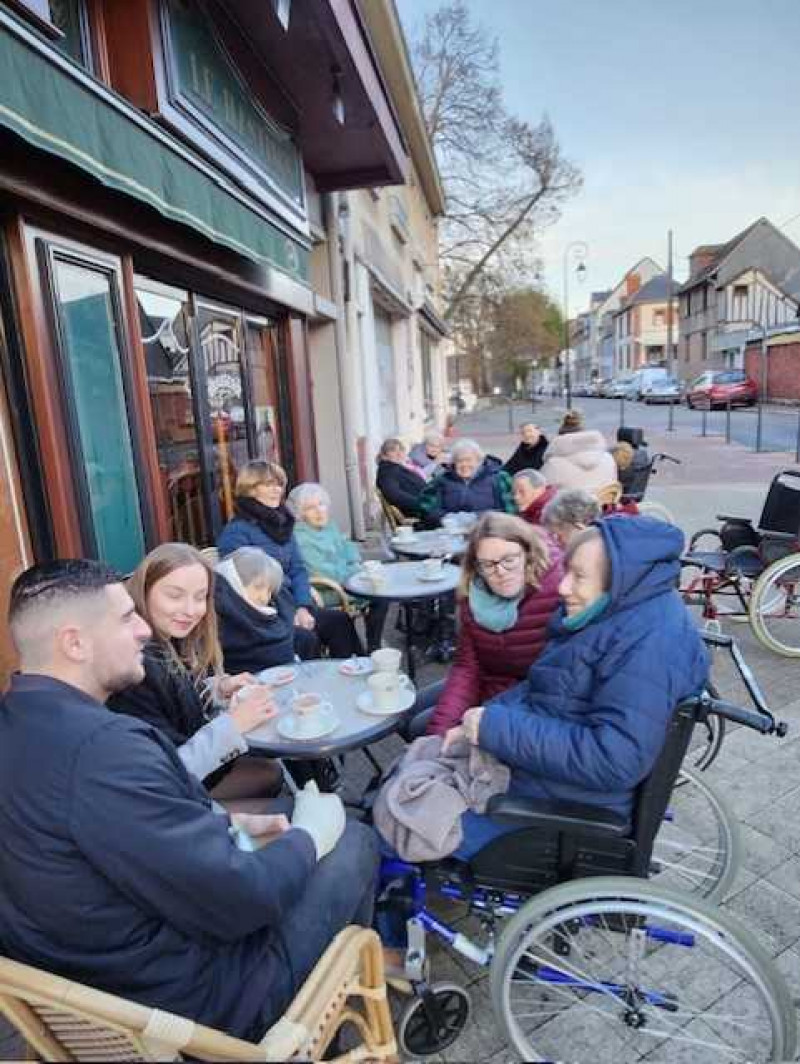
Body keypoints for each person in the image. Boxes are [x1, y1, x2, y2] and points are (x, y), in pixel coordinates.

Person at [0, 559, 378, 1039]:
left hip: (84, 992)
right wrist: (310, 836)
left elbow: (106, 844)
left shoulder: (20, 727)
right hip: (204, 1003)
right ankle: (334, 1023)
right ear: (74, 643)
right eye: (125, 618)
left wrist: (230, 828)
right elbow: (242, 899)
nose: (142, 630)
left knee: (278, 822)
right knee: (355, 839)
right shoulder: (104, 750)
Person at [438, 516, 710, 856]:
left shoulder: (648, 645)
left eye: (579, 576)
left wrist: (493, 726)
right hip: (550, 777)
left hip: (560, 806)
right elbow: (544, 686)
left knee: (408, 826)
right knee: (419, 775)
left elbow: (614, 759)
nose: (563, 587)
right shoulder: (620, 617)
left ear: (620, 579)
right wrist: (483, 719)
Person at [108, 543, 281, 810]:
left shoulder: (166, 636)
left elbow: (179, 696)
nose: (191, 610)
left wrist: (219, 689)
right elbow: (167, 773)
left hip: (185, 771)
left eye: (200, 597)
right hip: (160, 799)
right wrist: (233, 725)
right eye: (175, 595)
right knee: (270, 774)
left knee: (270, 769)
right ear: (143, 591)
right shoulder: (135, 669)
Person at [406, 513, 562, 738]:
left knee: (418, 727)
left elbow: (557, 683)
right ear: (475, 567)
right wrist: (438, 736)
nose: (500, 572)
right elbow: (468, 667)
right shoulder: (473, 593)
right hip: (488, 678)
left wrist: (478, 720)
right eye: (488, 564)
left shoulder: (556, 591)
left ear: (528, 553)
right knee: (409, 715)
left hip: (527, 697)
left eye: (509, 560)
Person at [217, 460, 363, 660]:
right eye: (268, 484)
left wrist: (303, 607)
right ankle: (311, 686)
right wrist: (289, 614)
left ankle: (349, 676)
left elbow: (298, 570)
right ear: (249, 489)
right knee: (307, 638)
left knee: (340, 621)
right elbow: (244, 592)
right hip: (264, 616)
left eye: (279, 484)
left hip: (293, 603)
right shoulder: (236, 533)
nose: (276, 490)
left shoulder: (283, 524)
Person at [288, 483, 388, 653]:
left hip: (347, 581)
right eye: (310, 508)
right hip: (328, 591)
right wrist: (356, 571)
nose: (319, 511)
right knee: (377, 593)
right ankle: (370, 650)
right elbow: (325, 573)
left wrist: (354, 565)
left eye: (321, 504)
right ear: (300, 514)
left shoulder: (329, 526)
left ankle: (374, 645)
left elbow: (348, 548)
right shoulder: (301, 538)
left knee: (382, 592)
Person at [215, 547, 296, 674]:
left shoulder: (269, 609)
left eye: (269, 590)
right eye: (258, 587)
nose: (264, 597)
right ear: (236, 582)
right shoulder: (222, 616)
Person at [418, 438, 514, 526]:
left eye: (469, 460)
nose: (464, 465)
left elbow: (511, 510)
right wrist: (445, 518)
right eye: (460, 461)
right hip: (450, 532)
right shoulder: (442, 480)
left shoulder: (498, 477)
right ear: (454, 463)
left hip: (489, 530)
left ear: (479, 461)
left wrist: (478, 517)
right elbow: (426, 507)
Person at [540, 426, 618, 492]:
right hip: (605, 505)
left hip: (569, 507)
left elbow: (542, 490)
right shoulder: (608, 458)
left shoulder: (554, 464)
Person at [375, 438, 426, 517]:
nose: (399, 453)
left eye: (401, 450)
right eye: (393, 450)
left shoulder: (395, 467)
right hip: (417, 512)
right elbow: (395, 495)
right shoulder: (387, 472)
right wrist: (421, 503)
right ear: (384, 455)